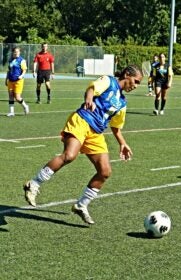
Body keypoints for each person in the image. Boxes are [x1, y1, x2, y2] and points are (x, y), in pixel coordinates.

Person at [23, 65, 143, 224]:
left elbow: (116, 127)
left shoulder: (122, 103)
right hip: (82, 120)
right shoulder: (109, 81)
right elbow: (92, 89)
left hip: (96, 133)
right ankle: (34, 184)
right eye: (135, 81)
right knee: (69, 155)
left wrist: (123, 144)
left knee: (105, 171)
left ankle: (82, 205)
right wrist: (89, 99)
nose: (135, 86)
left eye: (138, 84)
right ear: (127, 74)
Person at [5, 46, 29, 117]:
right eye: (15, 52)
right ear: (13, 52)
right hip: (10, 80)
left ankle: (25, 106)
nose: (16, 53)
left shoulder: (22, 60)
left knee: (17, 97)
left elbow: (24, 70)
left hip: (18, 81)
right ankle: (11, 112)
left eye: (18, 51)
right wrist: (6, 79)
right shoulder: (10, 60)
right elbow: (9, 70)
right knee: (10, 95)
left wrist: (21, 76)